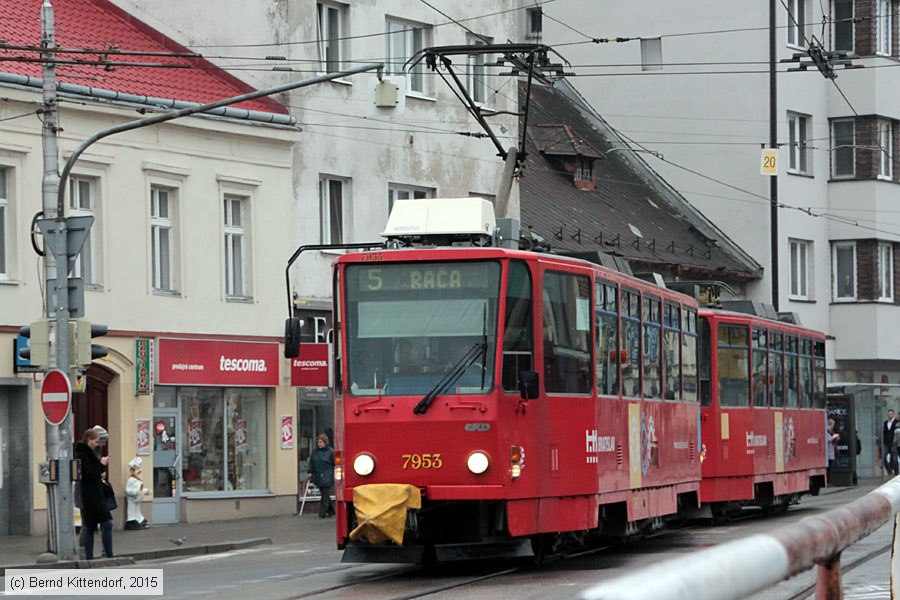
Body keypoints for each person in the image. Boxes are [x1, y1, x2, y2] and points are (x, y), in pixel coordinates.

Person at [74, 427, 113, 559]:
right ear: (89, 440)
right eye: (97, 441)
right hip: (90, 496)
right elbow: (89, 473)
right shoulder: (85, 454)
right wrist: (101, 465)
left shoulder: (90, 452)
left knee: (92, 525)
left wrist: (100, 468)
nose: (99, 444)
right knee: (94, 525)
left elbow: (93, 472)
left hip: (94, 494)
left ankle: (94, 554)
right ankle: (91, 554)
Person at [307, 433, 335, 518]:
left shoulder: (330, 452)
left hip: (327, 475)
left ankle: (322, 512)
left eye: (321, 442)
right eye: (318, 442)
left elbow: (334, 463)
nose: (319, 444)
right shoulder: (315, 452)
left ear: (325, 442)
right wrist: (310, 472)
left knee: (325, 493)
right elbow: (312, 463)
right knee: (324, 493)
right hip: (318, 475)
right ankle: (331, 510)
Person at [124, 457, 150, 530]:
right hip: (132, 499)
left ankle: (139, 519)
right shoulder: (131, 480)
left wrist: (146, 491)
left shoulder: (138, 480)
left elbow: (140, 489)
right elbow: (128, 490)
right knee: (132, 510)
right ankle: (131, 520)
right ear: (132, 471)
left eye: (139, 469)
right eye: (137, 469)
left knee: (137, 510)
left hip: (138, 499)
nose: (139, 471)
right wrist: (135, 492)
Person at [883, 409, 899, 476]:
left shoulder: (897, 422)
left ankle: (896, 472)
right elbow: (884, 432)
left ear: (893, 414)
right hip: (887, 443)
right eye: (888, 414)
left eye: (890, 414)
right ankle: (889, 470)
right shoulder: (886, 423)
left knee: (894, 458)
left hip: (894, 443)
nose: (889, 415)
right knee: (884, 456)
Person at [826, 419, 840, 484]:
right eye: (832, 425)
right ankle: (828, 481)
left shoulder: (830, 431)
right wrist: (834, 436)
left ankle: (828, 481)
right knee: (829, 468)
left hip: (830, 453)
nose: (833, 427)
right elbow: (828, 439)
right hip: (828, 453)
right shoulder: (827, 431)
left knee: (830, 467)